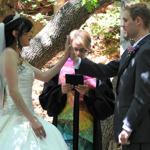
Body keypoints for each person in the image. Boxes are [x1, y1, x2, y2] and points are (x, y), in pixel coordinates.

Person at [70, 3, 150, 150]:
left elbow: (142, 96)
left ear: (138, 21)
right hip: (134, 135)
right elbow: (107, 70)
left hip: (141, 133)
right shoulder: (133, 49)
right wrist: (76, 61)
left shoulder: (146, 50)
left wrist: (127, 127)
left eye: (125, 20)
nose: (122, 25)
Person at [0, 14, 69, 149]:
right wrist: (32, 120)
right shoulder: (8, 54)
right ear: (15, 34)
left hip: (28, 114)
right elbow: (13, 92)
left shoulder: (19, 58)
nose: (31, 35)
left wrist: (66, 55)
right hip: (16, 117)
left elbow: (45, 76)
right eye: (27, 32)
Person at [39, 29, 115, 150]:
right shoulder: (58, 71)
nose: (78, 53)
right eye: (75, 49)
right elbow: (45, 101)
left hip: (88, 134)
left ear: (89, 48)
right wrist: (61, 91)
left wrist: (89, 93)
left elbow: (109, 106)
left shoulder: (96, 71)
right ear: (68, 48)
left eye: (83, 50)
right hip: (62, 129)